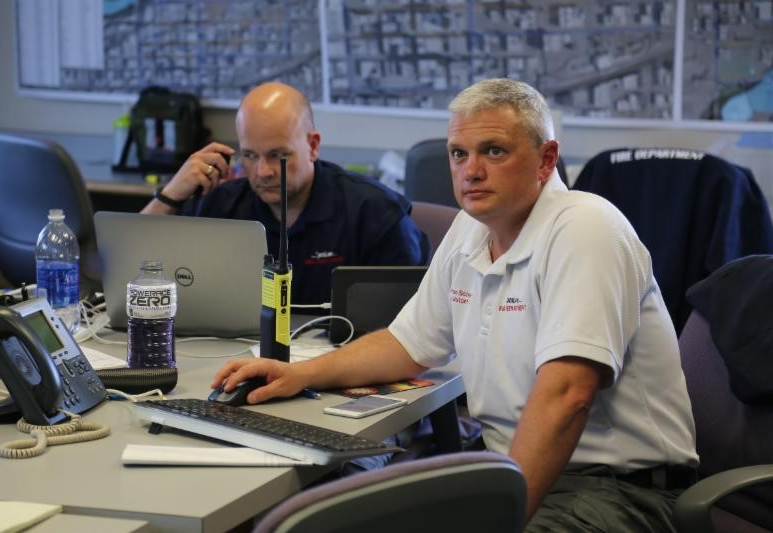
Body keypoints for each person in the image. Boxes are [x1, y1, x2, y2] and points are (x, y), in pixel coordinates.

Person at [209, 78, 698, 531]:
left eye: (493, 151)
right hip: (504, 469)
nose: (471, 171)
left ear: (546, 159)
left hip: (615, 490)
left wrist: (497, 516)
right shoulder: (472, 230)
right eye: (458, 154)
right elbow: (407, 344)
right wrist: (299, 374)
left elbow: (568, 395)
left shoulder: (586, 228)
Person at [142, 82, 427, 306]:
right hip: (233, 360)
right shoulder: (221, 205)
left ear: (313, 146)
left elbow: (404, 331)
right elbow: (134, 270)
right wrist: (170, 194)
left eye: (278, 155)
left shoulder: (375, 213)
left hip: (339, 367)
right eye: (250, 156)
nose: (263, 172)